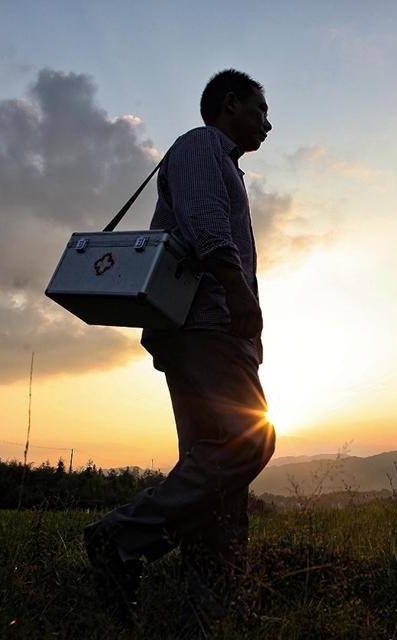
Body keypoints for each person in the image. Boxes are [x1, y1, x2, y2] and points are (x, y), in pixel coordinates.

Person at [83, 69, 276, 636]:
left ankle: (212, 607)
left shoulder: (224, 163)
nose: (268, 123)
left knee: (212, 467)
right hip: (207, 324)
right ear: (230, 103)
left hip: (202, 328)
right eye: (261, 110)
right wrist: (239, 293)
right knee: (249, 440)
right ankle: (122, 536)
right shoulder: (200, 146)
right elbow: (203, 222)